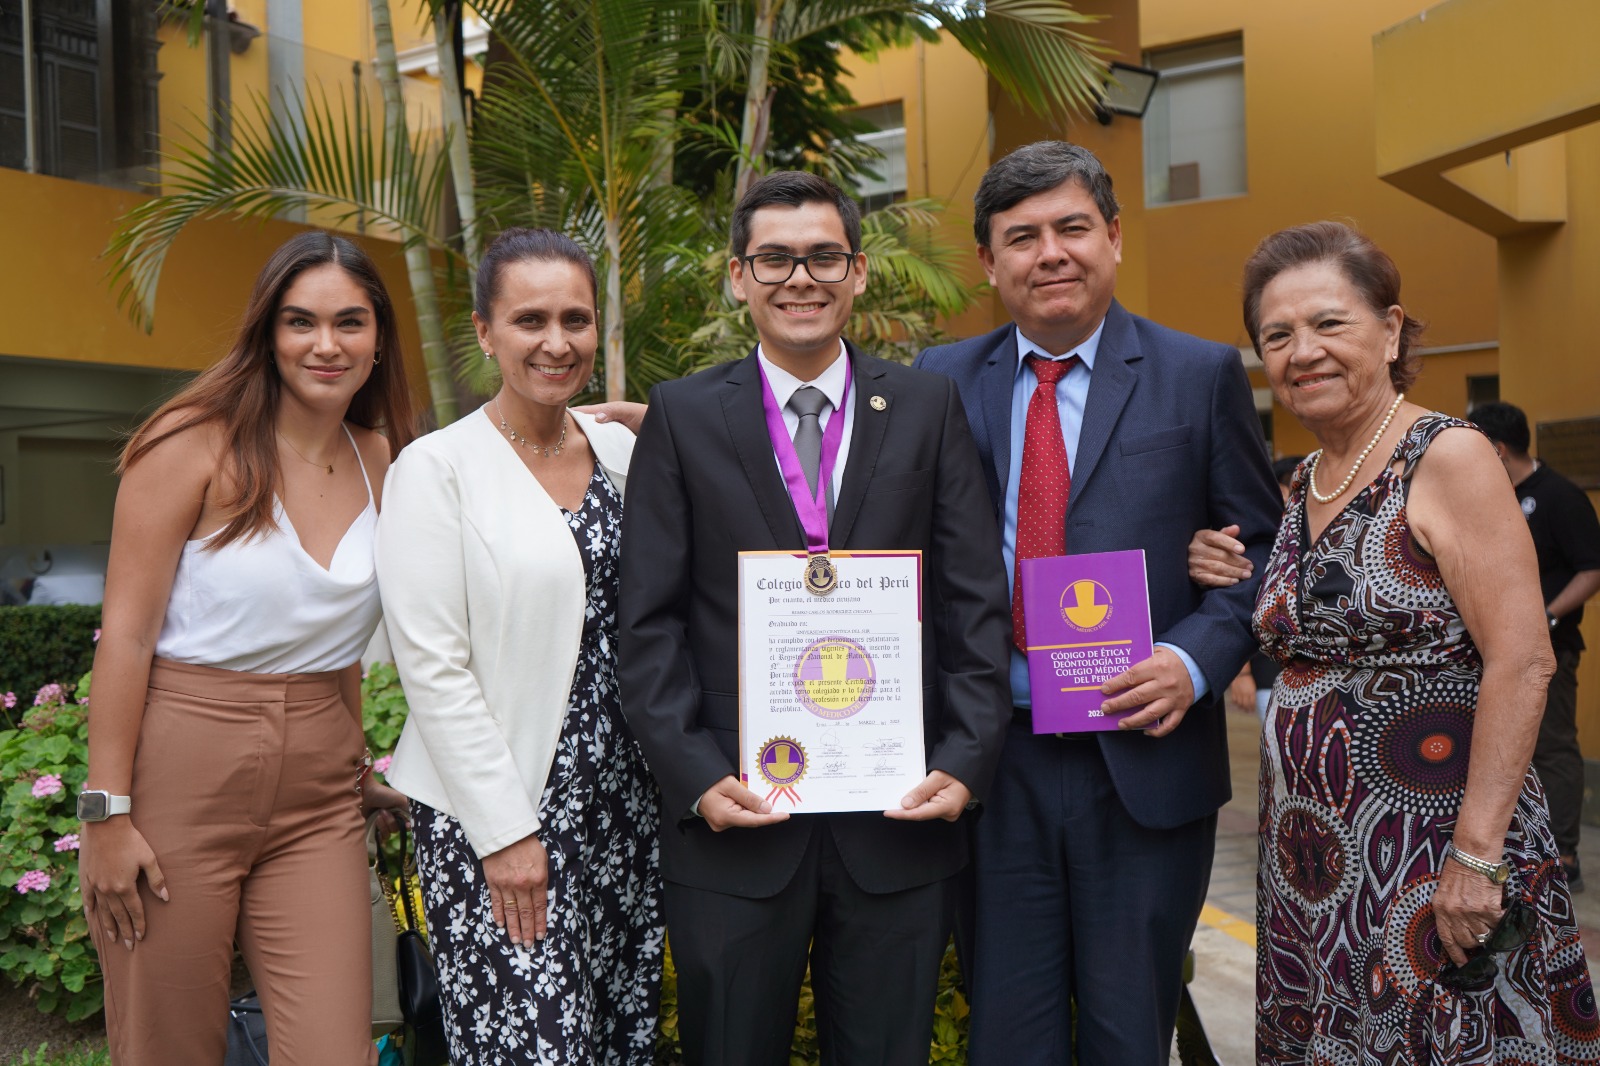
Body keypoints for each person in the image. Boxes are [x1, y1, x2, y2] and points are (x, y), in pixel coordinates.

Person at [617, 171, 1012, 1066]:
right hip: (736, 819)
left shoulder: (926, 406)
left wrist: (963, 760)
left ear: (858, 271)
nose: (801, 278)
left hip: (898, 815)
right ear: (739, 276)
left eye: (825, 256)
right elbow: (648, 623)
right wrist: (696, 775)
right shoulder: (683, 413)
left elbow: (974, 602)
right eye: (775, 259)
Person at [912, 140, 1282, 1065]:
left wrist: (1193, 662)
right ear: (988, 261)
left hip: (1145, 760)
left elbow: (1263, 551)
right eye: (1022, 237)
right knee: (1008, 1036)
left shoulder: (1198, 374)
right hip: (992, 764)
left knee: (1129, 1034)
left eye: (1072, 228)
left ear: (1113, 236)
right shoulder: (937, 382)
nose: (1051, 254)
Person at [1197, 220, 1598, 1061]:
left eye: (1328, 323)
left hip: (1434, 853)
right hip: (1317, 863)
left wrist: (1477, 858)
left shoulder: (1446, 455)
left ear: (1390, 330)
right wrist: (1220, 565)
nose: (1302, 351)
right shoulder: (1305, 481)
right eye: (1277, 335)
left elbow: (1524, 657)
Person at [79, 230, 417, 1065]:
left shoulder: (383, 459)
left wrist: (355, 766)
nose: (326, 344)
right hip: (180, 772)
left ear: (379, 339)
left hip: (319, 795)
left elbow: (334, 641)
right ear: (268, 333)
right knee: (168, 1046)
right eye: (301, 322)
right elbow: (126, 635)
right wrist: (105, 815)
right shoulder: (192, 441)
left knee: (334, 1050)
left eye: (350, 322)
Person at [376, 228, 661, 1063]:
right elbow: (433, 667)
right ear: (485, 331)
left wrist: (664, 424)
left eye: (576, 319)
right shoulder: (436, 468)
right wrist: (504, 833)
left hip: (624, 805)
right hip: (505, 809)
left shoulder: (621, 450)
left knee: (615, 1037)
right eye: (529, 320)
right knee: (532, 1045)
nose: (556, 342)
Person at [1471, 401, 1600, 891]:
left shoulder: (1559, 496)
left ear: (1499, 449)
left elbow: (1592, 569)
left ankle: (1564, 855)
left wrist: (1546, 616)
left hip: (1548, 650)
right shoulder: (1489, 496)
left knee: (1551, 747)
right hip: (1491, 651)